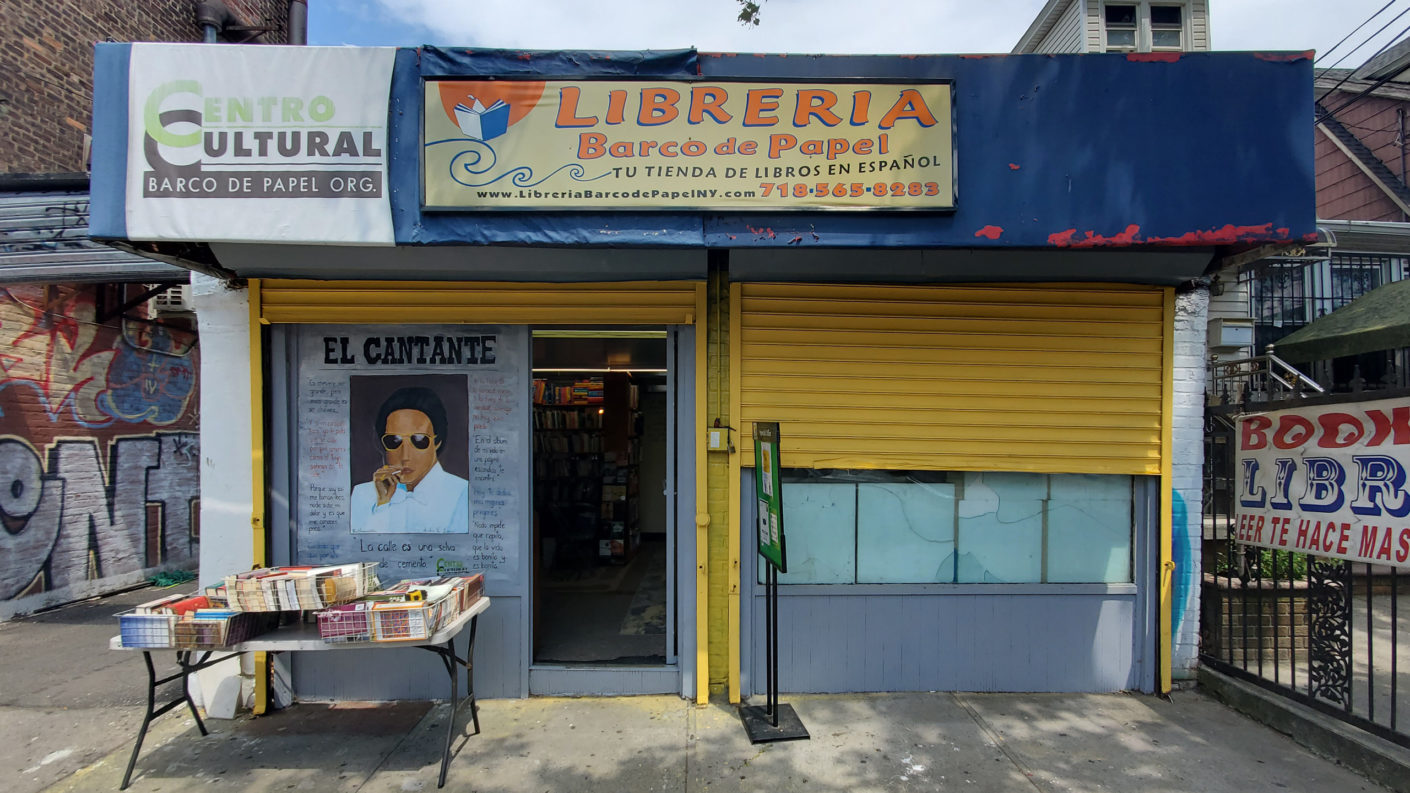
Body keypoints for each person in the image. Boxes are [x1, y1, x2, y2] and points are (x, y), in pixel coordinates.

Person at [350, 386, 469, 533]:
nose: (405, 456)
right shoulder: (363, 495)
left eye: (419, 440)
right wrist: (382, 505)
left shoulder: (463, 494)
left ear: (437, 441)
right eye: (394, 440)